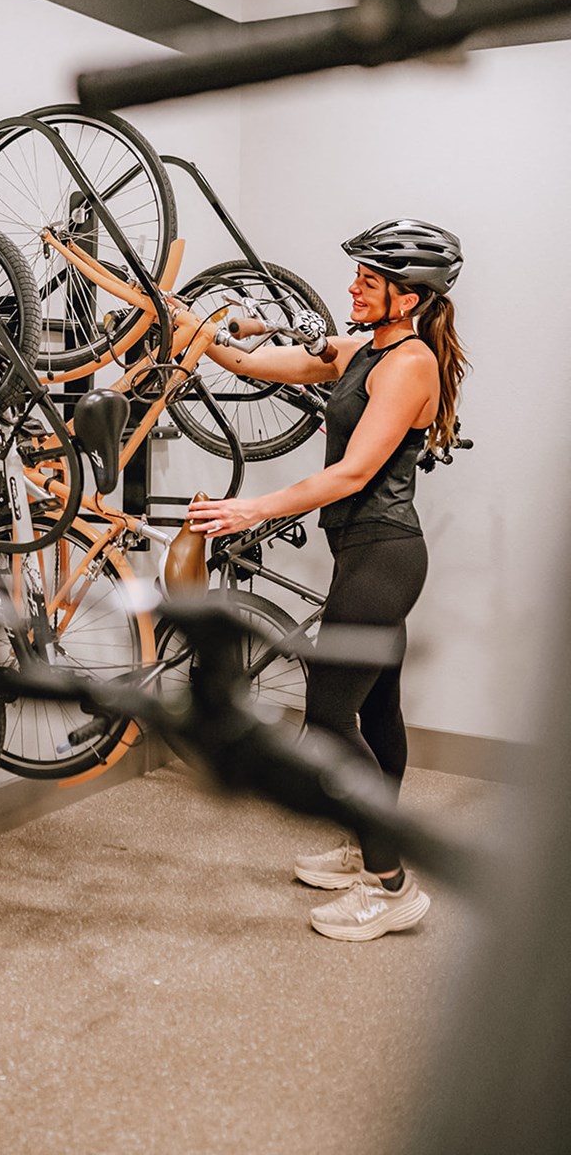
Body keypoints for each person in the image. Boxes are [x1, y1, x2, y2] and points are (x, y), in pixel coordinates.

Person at [187, 218, 467, 942]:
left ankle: (391, 884)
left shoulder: (409, 365)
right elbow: (267, 366)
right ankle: (362, 844)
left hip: (383, 555)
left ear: (407, 297)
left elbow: (352, 472)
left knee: (327, 716)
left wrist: (252, 506)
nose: (352, 288)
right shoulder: (365, 350)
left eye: (367, 281)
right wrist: (204, 340)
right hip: (368, 553)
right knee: (378, 713)